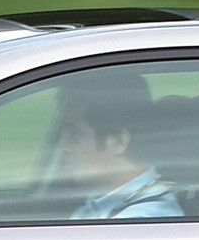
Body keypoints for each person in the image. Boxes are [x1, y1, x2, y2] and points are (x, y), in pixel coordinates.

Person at [51, 76, 185, 220]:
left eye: (74, 134)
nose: (64, 147)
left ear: (119, 141)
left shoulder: (141, 220)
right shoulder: (99, 208)